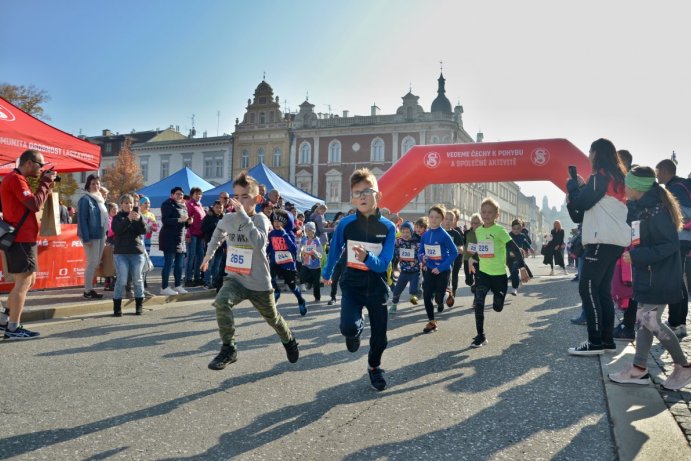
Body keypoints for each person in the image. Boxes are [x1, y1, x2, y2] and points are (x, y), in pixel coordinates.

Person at [200, 172, 299, 370]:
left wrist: (244, 217)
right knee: (221, 302)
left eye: (245, 197)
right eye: (236, 196)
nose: (238, 201)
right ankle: (229, 348)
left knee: (273, 318)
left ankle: (289, 340)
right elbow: (217, 234)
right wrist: (208, 255)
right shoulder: (228, 218)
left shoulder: (261, 219)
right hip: (235, 278)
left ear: (257, 199)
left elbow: (259, 242)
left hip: (258, 282)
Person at [608, 166, 691, 390]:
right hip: (649, 274)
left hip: (660, 276)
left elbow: (669, 245)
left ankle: (683, 367)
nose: (624, 187)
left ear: (638, 188)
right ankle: (639, 369)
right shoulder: (643, 208)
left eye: (628, 184)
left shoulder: (657, 211)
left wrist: (635, 256)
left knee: (650, 320)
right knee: (643, 321)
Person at [322, 168, 395, 391]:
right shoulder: (345, 224)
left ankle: (374, 368)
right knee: (348, 328)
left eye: (367, 191)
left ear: (378, 195)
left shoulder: (388, 227)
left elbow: (383, 264)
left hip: (377, 287)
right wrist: (326, 273)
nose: (362, 196)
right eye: (356, 193)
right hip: (352, 285)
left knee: (380, 338)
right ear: (352, 198)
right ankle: (354, 332)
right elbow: (334, 251)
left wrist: (367, 257)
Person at [566, 138, 630, 356]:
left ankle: (595, 342)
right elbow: (590, 205)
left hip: (600, 241)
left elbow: (579, 208)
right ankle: (606, 340)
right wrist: (581, 189)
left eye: (590, 151)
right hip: (614, 242)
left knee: (588, 288)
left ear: (596, 153)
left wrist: (574, 189)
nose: (588, 155)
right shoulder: (616, 177)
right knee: (602, 290)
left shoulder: (600, 175)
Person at [0, 150, 57, 339]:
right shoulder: (16, 179)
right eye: (40, 165)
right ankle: (13, 328)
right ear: (28, 163)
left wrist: (45, 183)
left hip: (23, 238)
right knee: (23, 282)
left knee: (28, 280)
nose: (42, 169)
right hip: (20, 239)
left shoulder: (15, 179)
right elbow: (35, 205)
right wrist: (46, 183)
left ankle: (3, 320)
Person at [467, 198, 529, 348]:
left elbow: (515, 249)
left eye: (490, 212)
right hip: (483, 274)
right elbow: (475, 247)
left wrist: (522, 268)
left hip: (499, 276)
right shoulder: (479, 230)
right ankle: (480, 336)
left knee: (497, 307)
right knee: (479, 303)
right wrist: (470, 259)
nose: (486, 215)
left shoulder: (500, 231)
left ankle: (499, 297)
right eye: (483, 212)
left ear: (497, 215)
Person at [655, 158, 691, 338]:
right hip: (684, 239)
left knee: (674, 279)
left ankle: (676, 322)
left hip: (678, 239)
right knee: (678, 279)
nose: (656, 174)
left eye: (658, 170)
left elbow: (685, 212)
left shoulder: (675, 188)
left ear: (665, 171)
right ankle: (679, 322)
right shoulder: (681, 185)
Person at [418, 204, 459, 333]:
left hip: (443, 270)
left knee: (439, 298)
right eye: (431, 217)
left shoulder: (444, 235)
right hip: (430, 268)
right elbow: (420, 251)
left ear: (441, 219)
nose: (434, 219)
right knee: (426, 295)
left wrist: (441, 267)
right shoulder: (425, 235)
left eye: (437, 217)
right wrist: (422, 259)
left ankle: (446, 294)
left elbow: (454, 252)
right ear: (428, 218)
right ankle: (431, 321)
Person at [111, 194, 147, 316]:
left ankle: (139, 306)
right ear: (121, 205)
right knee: (122, 280)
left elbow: (143, 231)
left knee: (137, 279)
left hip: (136, 253)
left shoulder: (138, 216)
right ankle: (117, 308)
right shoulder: (117, 217)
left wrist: (139, 220)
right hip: (121, 253)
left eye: (131, 203)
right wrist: (128, 219)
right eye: (126, 203)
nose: (128, 205)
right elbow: (118, 230)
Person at [268, 209, 307, 315]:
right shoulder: (271, 234)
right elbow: (271, 247)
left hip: (288, 263)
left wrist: (284, 234)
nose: (276, 223)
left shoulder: (289, 233)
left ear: (285, 222)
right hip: (275, 262)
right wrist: (266, 253)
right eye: (275, 221)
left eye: (279, 221)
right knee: (270, 279)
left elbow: (293, 249)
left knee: (292, 286)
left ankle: (301, 300)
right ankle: (276, 291)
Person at [77, 174, 108, 299]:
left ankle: (90, 289)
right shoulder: (85, 200)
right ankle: (88, 290)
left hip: (100, 234)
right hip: (91, 236)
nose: (96, 186)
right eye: (93, 183)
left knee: (95, 263)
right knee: (92, 262)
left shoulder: (99, 199)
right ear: (88, 186)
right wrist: (86, 238)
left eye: (97, 183)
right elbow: (82, 220)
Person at [159, 187, 192, 296]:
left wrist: (188, 222)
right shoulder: (167, 204)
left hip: (180, 239)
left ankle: (178, 285)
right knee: (169, 263)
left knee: (179, 264)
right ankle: (164, 287)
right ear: (172, 194)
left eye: (181, 194)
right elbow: (165, 220)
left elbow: (184, 223)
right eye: (177, 194)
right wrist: (178, 219)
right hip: (169, 238)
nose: (180, 196)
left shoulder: (183, 205)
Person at [389, 221, 420, 314]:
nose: (405, 234)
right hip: (404, 271)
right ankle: (394, 305)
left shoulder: (417, 242)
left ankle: (414, 297)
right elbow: (395, 252)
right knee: (397, 290)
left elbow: (421, 253)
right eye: (403, 232)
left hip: (415, 270)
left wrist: (416, 260)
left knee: (414, 288)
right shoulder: (399, 242)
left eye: (407, 232)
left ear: (411, 232)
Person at [184, 187, 206, 287]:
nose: (198, 196)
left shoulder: (200, 205)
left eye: (200, 194)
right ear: (192, 195)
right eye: (196, 194)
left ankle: (197, 278)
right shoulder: (190, 204)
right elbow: (187, 221)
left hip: (200, 235)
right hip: (192, 234)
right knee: (191, 257)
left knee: (200, 256)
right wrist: (188, 234)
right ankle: (188, 279)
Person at [201, 200, 225, 288]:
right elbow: (203, 229)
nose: (219, 209)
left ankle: (215, 282)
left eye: (220, 208)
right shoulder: (208, 217)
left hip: (221, 245)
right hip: (210, 244)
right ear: (213, 208)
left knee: (217, 265)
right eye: (217, 207)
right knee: (209, 264)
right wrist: (214, 224)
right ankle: (207, 282)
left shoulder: (224, 217)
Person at [298, 221, 323, 303]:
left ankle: (317, 297)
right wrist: (299, 255)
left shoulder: (317, 240)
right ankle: (309, 282)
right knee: (302, 276)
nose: (308, 232)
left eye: (310, 230)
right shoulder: (304, 239)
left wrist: (315, 253)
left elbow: (321, 254)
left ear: (313, 231)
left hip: (315, 265)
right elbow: (300, 247)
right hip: (306, 263)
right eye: (306, 230)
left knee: (316, 284)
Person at [443, 209, 464, 302]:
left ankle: (453, 290)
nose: (448, 221)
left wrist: (459, 249)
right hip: (439, 259)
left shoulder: (455, 233)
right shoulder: (438, 231)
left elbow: (461, 246)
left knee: (453, 275)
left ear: (454, 221)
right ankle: (443, 292)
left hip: (453, 259)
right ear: (442, 219)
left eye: (450, 219)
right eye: (446, 219)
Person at [508, 219, 533, 295]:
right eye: (514, 229)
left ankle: (514, 288)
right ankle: (518, 281)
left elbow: (525, 242)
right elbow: (506, 245)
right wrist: (509, 252)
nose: (516, 230)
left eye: (518, 229)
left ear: (521, 228)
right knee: (512, 272)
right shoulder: (509, 235)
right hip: (509, 257)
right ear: (512, 228)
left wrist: (530, 248)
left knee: (515, 270)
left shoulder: (522, 236)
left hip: (519, 256)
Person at [463, 213, 482, 294]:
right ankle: (472, 284)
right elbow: (463, 245)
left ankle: (476, 299)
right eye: (473, 223)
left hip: (478, 260)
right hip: (467, 259)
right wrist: (464, 251)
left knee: (478, 279)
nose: (474, 225)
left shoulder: (483, 233)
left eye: (476, 223)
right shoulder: (467, 233)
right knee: (469, 281)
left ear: (481, 223)